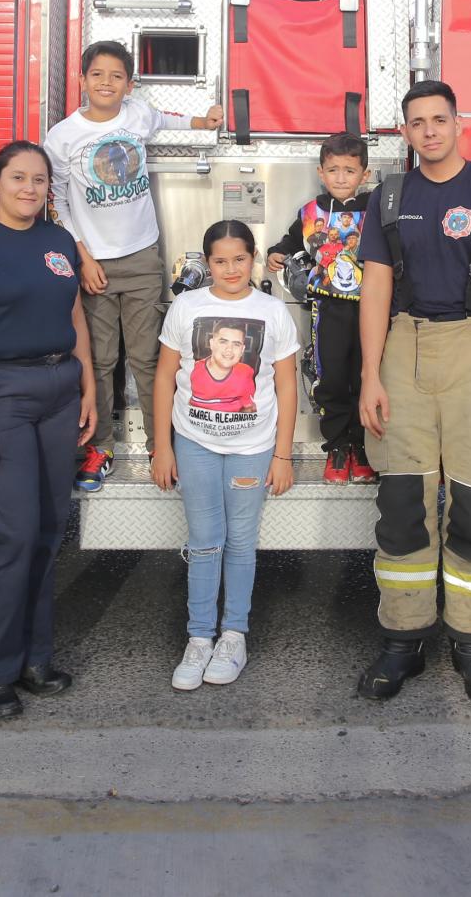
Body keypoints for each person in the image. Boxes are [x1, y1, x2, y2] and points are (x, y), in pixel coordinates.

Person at [356, 80, 471, 704]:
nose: (430, 130)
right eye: (417, 122)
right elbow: (376, 290)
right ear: (404, 133)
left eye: (440, 119)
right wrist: (370, 375)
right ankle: (402, 639)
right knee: (404, 505)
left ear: (459, 123)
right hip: (404, 350)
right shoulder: (390, 195)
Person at [0, 142, 98, 720]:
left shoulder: (57, 242)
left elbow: (73, 315)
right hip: (1, 395)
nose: (29, 188)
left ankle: (35, 660)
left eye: (38, 180)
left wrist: (89, 388)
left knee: (51, 529)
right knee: (12, 536)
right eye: (18, 177)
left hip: (59, 390)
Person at [43, 42, 222, 492]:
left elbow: (170, 120)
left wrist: (203, 120)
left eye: (116, 76)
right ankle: (99, 446)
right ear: (81, 80)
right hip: (94, 264)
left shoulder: (138, 115)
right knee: (100, 361)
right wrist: (81, 258)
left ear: (129, 83)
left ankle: (162, 444)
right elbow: (58, 202)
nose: (106, 82)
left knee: (147, 358)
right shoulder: (62, 136)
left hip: (142, 255)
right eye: (97, 74)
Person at [151, 221, 300, 690]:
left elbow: (287, 385)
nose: (231, 269)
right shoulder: (187, 306)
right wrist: (161, 447)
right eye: (220, 261)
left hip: (252, 449)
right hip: (193, 443)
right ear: (206, 262)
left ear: (253, 258)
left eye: (239, 259)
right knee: (204, 540)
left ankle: (234, 635)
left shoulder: (273, 311)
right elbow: (163, 378)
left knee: (240, 541)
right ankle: (198, 638)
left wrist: (282, 455)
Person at [266, 132, 373, 484]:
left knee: (366, 377)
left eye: (350, 170)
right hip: (327, 309)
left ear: (365, 174)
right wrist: (279, 252)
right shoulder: (311, 211)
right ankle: (338, 446)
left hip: (370, 310)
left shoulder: (376, 208)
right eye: (333, 170)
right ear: (321, 173)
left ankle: (363, 448)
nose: (341, 177)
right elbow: (293, 238)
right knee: (331, 378)